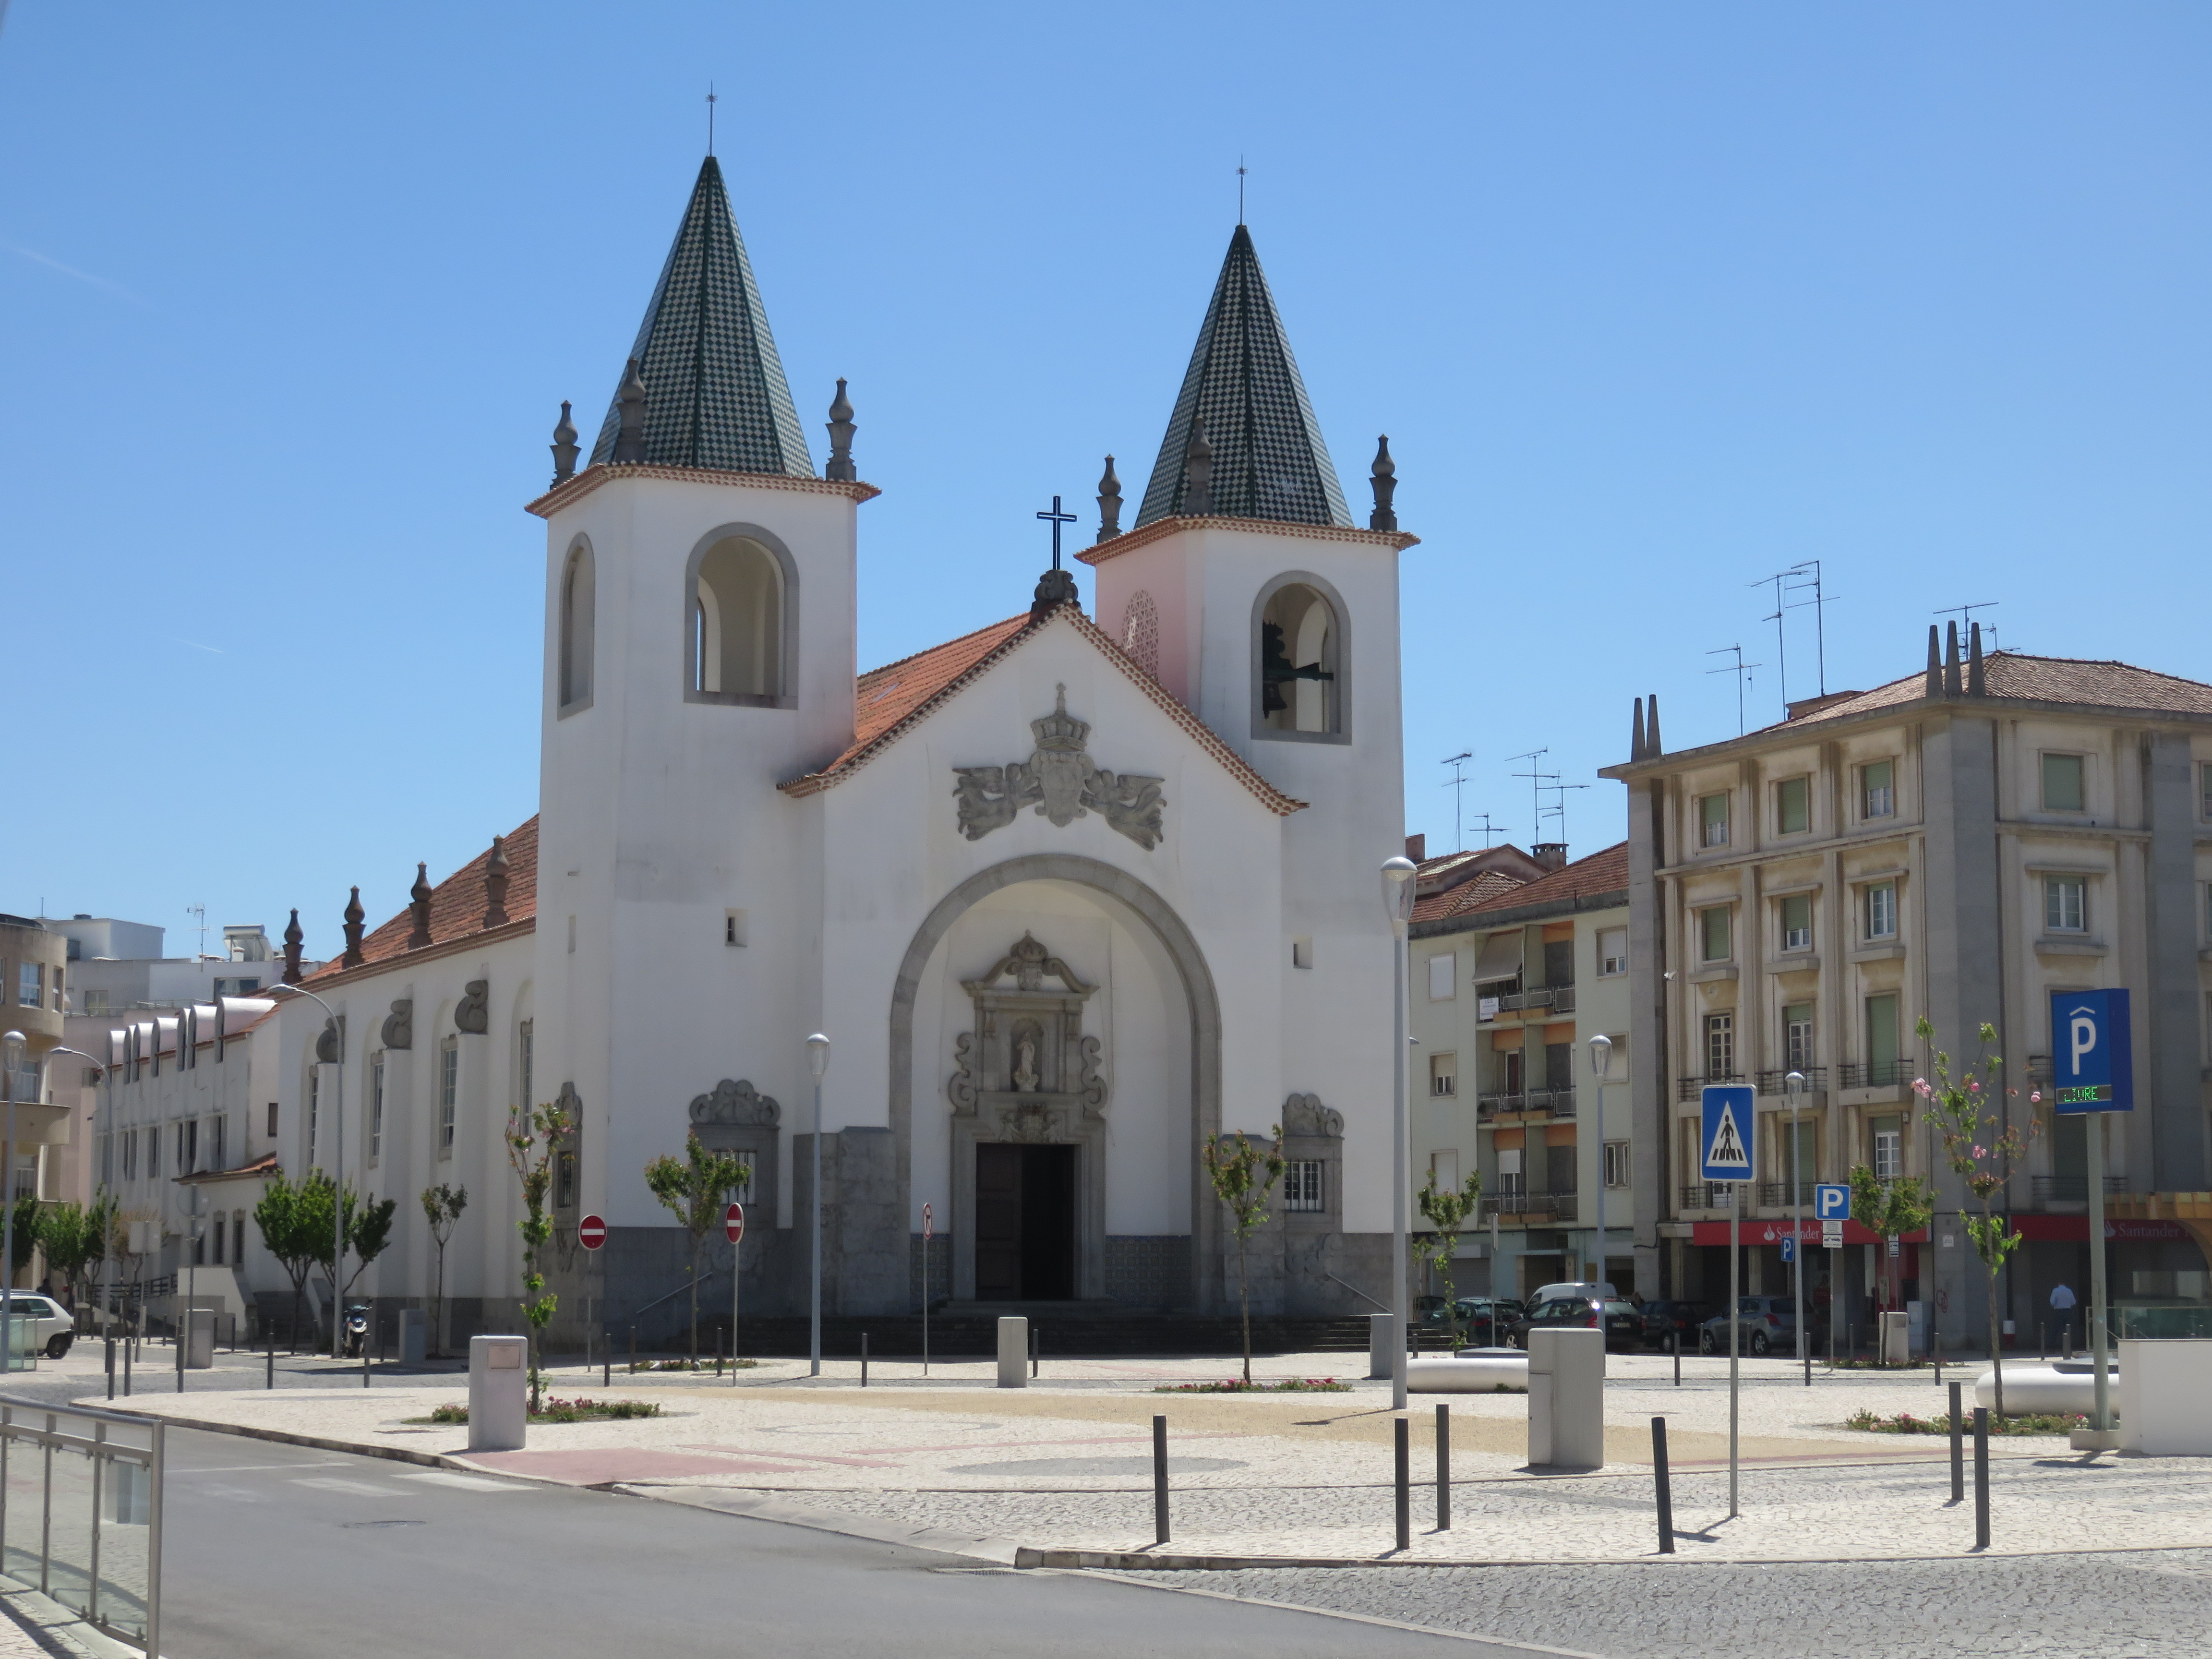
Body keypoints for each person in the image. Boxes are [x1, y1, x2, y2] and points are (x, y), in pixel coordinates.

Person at [2050, 1282, 2077, 1357]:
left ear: (2058, 1284)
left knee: (2055, 1330)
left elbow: (2052, 1302)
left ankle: (2052, 1349)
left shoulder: (2056, 1290)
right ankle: (2066, 1348)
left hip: (2059, 1311)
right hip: (2068, 1311)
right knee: (2067, 1330)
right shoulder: (2069, 1291)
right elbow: (2074, 1302)